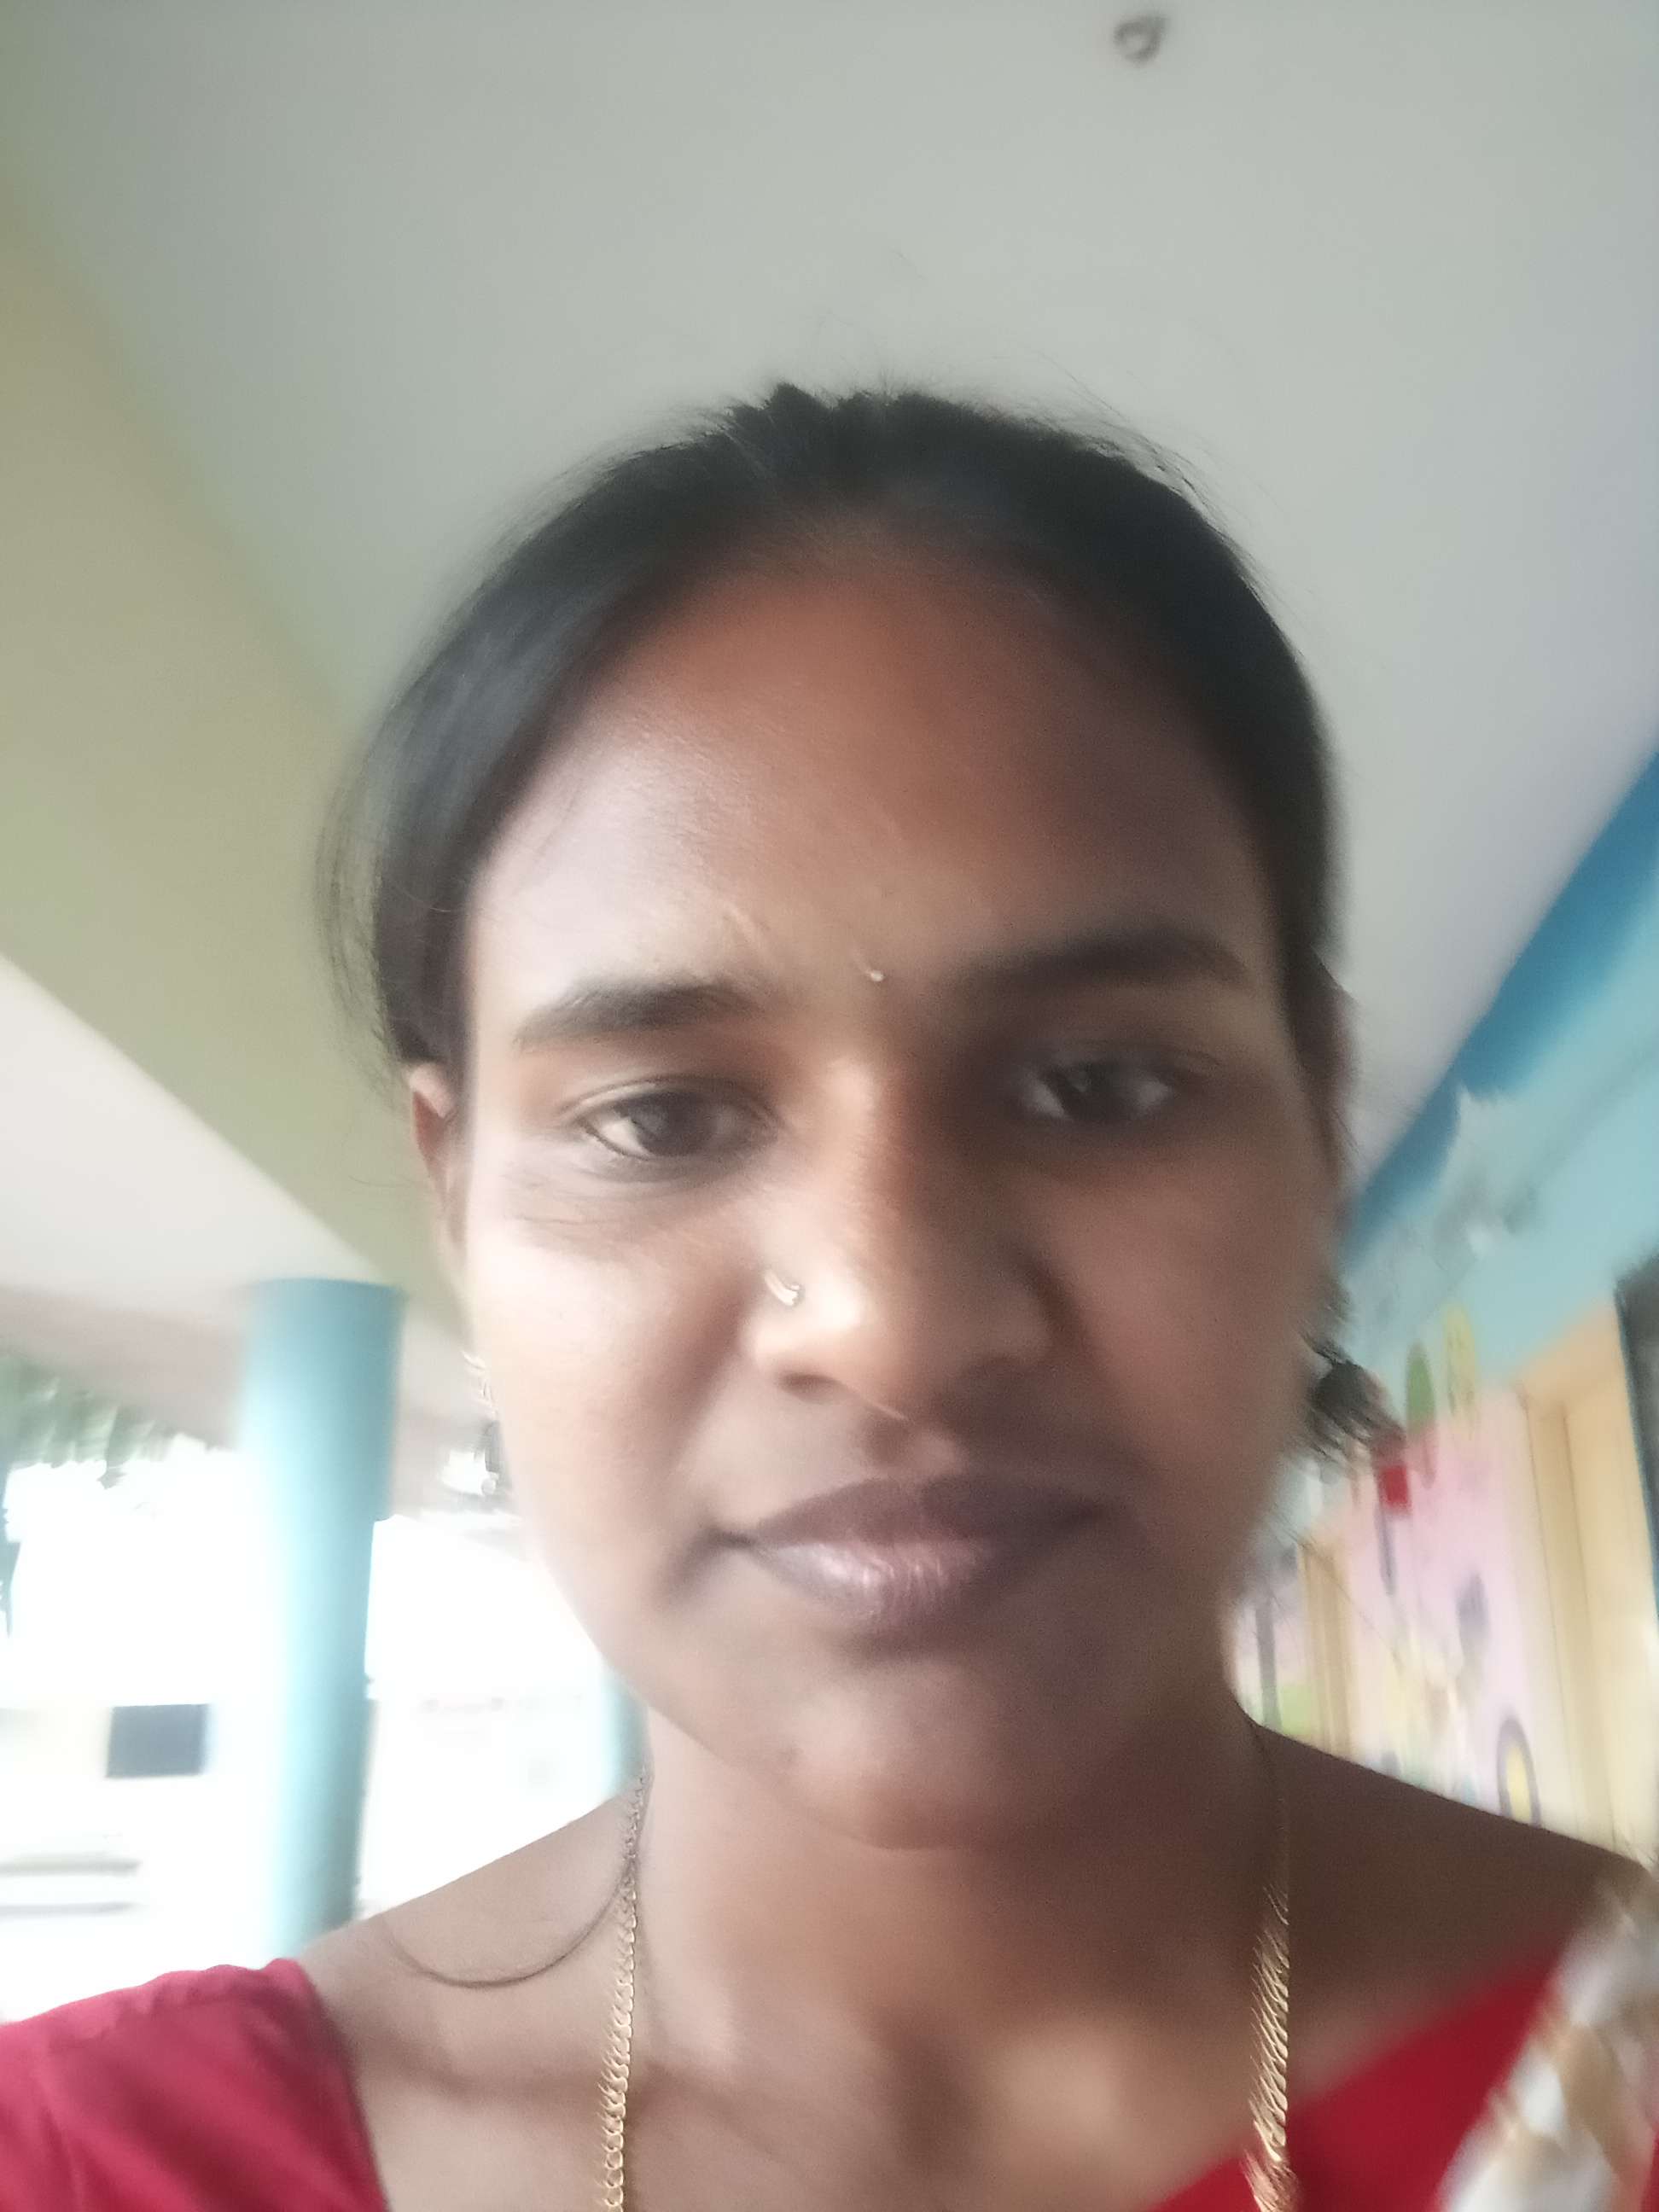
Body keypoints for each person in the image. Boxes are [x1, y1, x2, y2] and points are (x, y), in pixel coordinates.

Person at [3, 386, 1655, 2209]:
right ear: (455, 1193)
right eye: (662, 1117)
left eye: (1097, 1085)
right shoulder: (98, 2169)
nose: (891, 1324)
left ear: (1317, 1130)